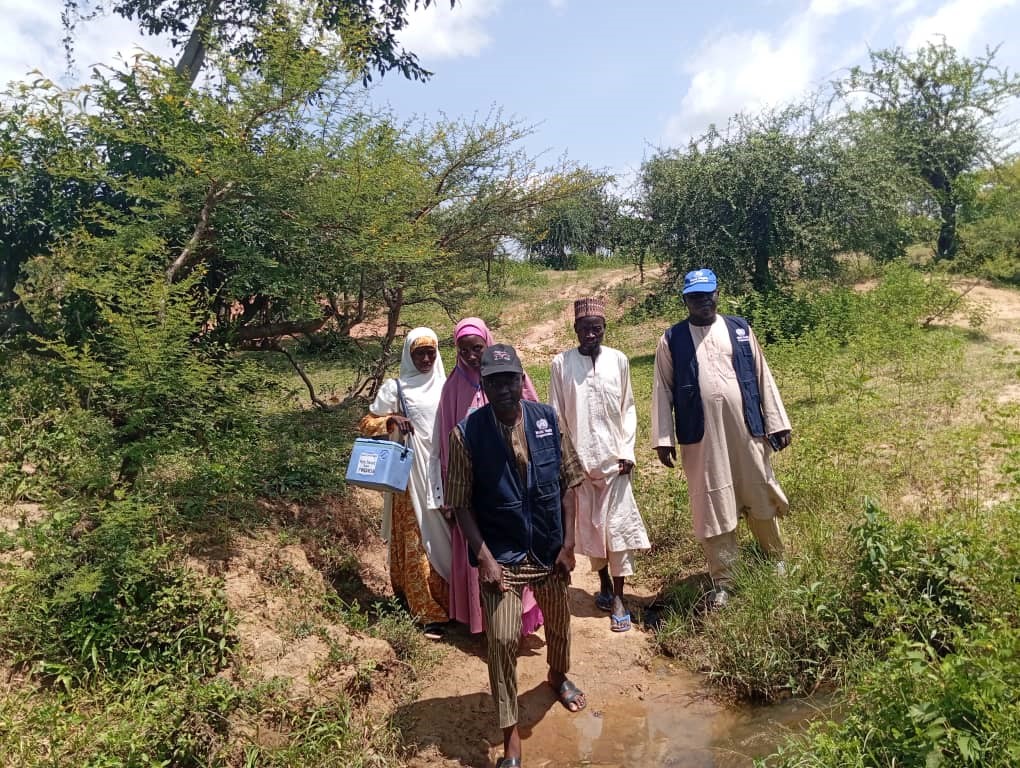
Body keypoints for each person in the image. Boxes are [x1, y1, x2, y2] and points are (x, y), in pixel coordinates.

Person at [446, 344, 587, 768]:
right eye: (494, 382)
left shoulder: (547, 419)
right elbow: (460, 505)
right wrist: (484, 558)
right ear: (484, 387)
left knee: (559, 625)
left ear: (521, 379)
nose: (503, 388)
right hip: (501, 556)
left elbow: (569, 483)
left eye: (510, 379)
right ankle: (511, 735)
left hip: (548, 549)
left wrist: (569, 544)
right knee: (503, 639)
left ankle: (557, 676)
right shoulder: (466, 434)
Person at [651, 269, 792, 608]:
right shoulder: (672, 339)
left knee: (758, 489)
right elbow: (662, 389)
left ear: (717, 294)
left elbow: (762, 376)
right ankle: (725, 579)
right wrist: (663, 438)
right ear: (686, 300)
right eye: (696, 296)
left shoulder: (740, 330)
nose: (704, 301)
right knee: (712, 503)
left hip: (746, 430)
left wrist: (777, 422)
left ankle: (775, 559)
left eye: (708, 294)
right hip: (701, 439)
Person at [432, 317, 543, 636]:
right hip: (475, 492)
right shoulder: (453, 388)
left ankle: (518, 624)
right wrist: (450, 496)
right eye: (463, 349)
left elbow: (535, 418)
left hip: (515, 486)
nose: (471, 355)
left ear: (488, 344)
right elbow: (445, 441)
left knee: (520, 551)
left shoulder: (509, 377)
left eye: (477, 348)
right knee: (483, 556)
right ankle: (488, 627)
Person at [549, 297, 650, 632]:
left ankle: (619, 598)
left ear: (605, 329)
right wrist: (567, 461)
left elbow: (628, 408)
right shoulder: (561, 365)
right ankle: (604, 584)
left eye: (597, 328)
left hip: (615, 464)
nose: (591, 334)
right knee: (593, 531)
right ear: (575, 330)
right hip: (581, 466)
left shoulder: (619, 360)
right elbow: (557, 416)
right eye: (584, 329)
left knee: (617, 530)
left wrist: (627, 452)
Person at [359, 327, 452, 638]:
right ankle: (427, 612)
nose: (426, 358)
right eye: (419, 353)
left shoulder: (447, 386)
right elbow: (366, 423)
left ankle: (454, 605)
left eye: (430, 352)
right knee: (416, 542)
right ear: (409, 355)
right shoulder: (395, 388)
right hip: (410, 477)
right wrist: (390, 421)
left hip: (443, 473)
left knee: (447, 538)